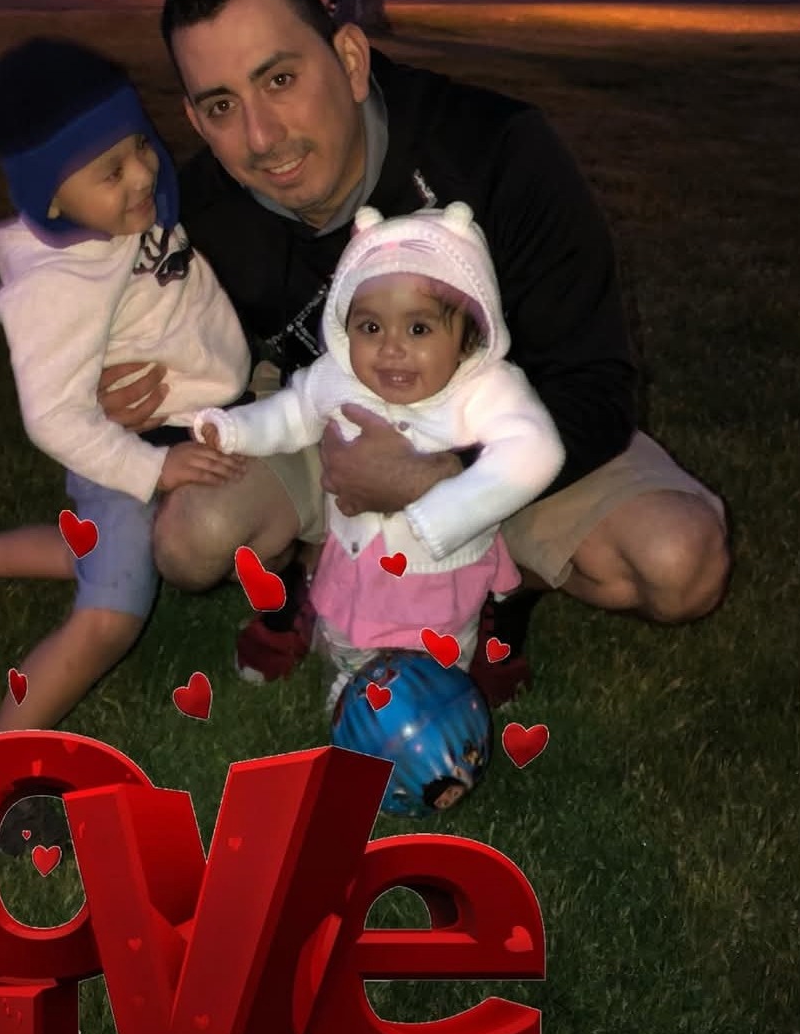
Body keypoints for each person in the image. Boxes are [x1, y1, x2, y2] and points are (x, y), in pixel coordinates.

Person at [96, 0, 730, 699]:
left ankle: (496, 586)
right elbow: (178, 384)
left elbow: (597, 386)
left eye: (281, 80)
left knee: (680, 564)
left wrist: (446, 476)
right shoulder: (196, 215)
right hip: (325, 415)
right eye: (222, 106)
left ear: (350, 60)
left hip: (500, 425)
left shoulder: (498, 151)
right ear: (196, 119)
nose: (261, 138)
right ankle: (314, 578)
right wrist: (142, 404)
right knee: (188, 540)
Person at [0, 37, 251, 752]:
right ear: (50, 196)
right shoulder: (60, 282)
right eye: (111, 170)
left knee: (103, 547)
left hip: (175, 425)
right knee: (111, 613)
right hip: (126, 446)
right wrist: (153, 468)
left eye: (140, 146)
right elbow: (53, 416)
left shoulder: (122, 214)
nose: (142, 173)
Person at [191, 200, 564, 707]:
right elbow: (292, 413)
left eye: (419, 329)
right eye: (370, 328)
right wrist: (234, 429)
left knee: (439, 660)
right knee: (351, 641)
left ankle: (433, 711)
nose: (391, 348)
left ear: (469, 334)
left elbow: (536, 447)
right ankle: (352, 693)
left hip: (441, 578)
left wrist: (448, 509)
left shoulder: (484, 390)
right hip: (357, 565)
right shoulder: (339, 377)